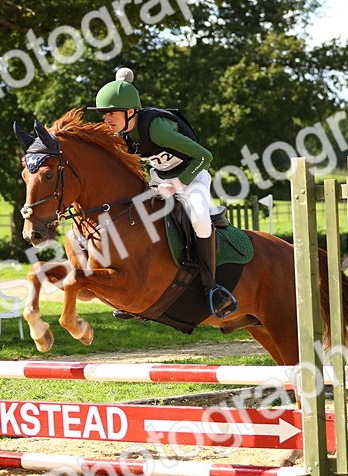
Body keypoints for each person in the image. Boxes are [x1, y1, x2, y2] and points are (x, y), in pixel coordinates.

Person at [88, 67, 238, 319]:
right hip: (158, 179)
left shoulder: (157, 129)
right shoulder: (123, 134)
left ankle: (213, 288)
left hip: (192, 176)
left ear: (130, 111)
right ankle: (135, 292)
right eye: (104, 114)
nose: (107, 119)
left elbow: (204, 156)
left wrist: (178, 184)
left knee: (201, 220)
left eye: (111, 113)